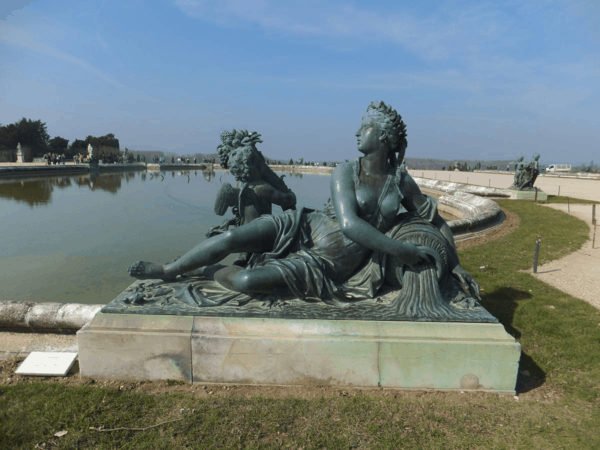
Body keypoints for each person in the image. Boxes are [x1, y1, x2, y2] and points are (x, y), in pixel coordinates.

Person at [129, 101, 480, 308]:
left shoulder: (400, 181)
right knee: (232, 239)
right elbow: (349, 223)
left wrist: (455, 263)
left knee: (250, 280)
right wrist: (400, 250)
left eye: (366, 128)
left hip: (329, 262)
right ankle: (169, 270)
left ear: (383, 138)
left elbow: (433, 220)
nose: (358, 133)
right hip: (302, 226)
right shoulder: (344, 171)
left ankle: (207, 272)